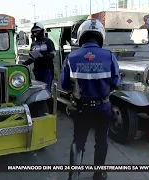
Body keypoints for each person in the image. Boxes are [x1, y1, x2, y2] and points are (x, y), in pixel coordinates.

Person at [60, 19, 121, 180]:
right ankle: (98, 174)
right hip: (103, 107)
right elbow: (116, 82)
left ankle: (74, 176)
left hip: (81, 108)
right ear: (100, 36)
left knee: (78, 141)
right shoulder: (109, 56)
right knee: (101, 141)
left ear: (81, 35)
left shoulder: (71, 57)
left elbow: (64, 85)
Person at [22, 22, 55, 92]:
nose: (35, 33)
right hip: (37, 70)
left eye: (37, 31)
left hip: (47, 70)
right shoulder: (33, 44)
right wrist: (23, 64)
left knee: (46, 90)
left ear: (42, 31)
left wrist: (42, 57)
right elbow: (31, 58)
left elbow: (53, 54)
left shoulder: (48, 42)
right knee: (39, 90)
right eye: (33, 32)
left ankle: (48, 103)